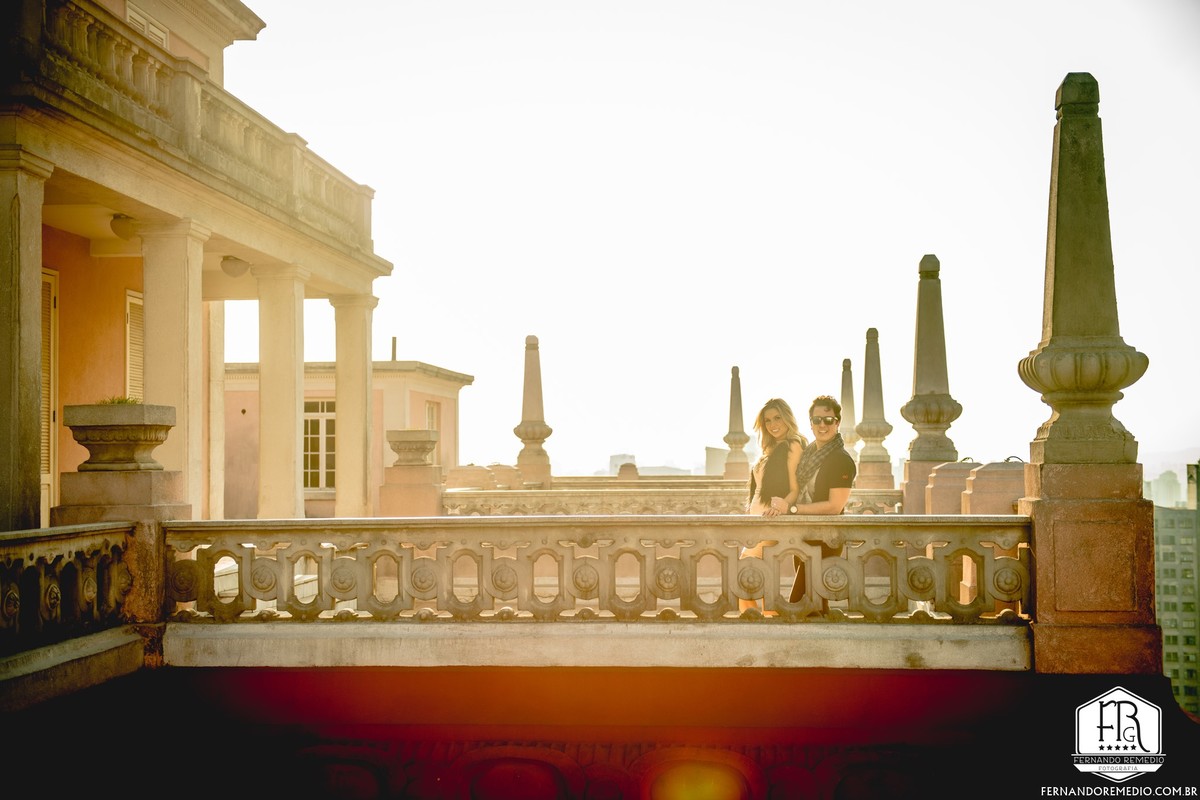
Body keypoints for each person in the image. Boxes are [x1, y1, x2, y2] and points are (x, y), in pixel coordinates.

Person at [786, 394, 856, 604]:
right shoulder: (807, 454)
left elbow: (835, 507)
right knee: (814, 604)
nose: (822, 425)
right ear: (811, 423)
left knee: (797, 604)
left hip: (825, 539)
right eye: (817, 420)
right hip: (802, 536)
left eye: (828, 420)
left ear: (837, 422)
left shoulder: (841, 460)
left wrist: (794, 510)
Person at [740, 398, 807, 612]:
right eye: (767, 420)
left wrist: (782, 506)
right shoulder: (769, 448)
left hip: (772, 517)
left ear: (787, 418)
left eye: (777, 418)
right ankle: (759, 617)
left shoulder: (793, 444)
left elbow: (795, 488)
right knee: (754, 571)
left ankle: (760, 617)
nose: (772, 424)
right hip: (757, 518)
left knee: (748, 568)